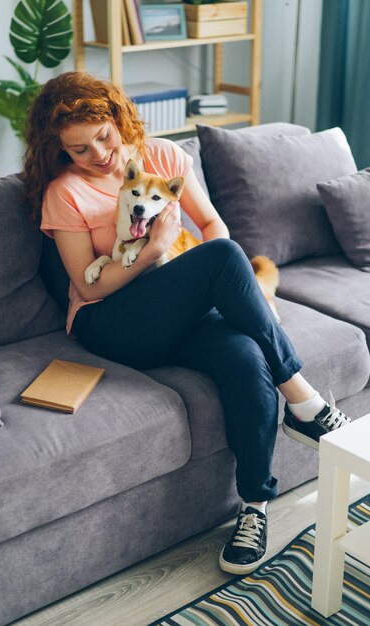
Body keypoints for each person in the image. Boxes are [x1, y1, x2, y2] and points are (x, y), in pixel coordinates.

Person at [23, 71, 351, 575]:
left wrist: (190, 271)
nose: (99, 154)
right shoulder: (64, 193)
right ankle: (305, 400)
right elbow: (87, 287)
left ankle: (254, 507)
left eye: (104, 136)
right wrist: (155, 248)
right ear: (60, 151)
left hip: (178, 310)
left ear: (117, 117)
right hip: (112, 322)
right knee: (221, 258)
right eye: (79, 149)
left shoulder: (164, 157)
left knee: (246, 356)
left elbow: (214, 224)